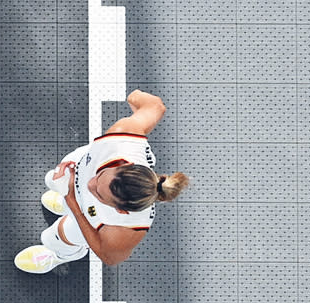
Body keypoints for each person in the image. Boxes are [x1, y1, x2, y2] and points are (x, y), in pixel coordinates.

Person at [18, 87, 188, 274]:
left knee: (52, 238)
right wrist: (134, 95)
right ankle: (62, 202)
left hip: (88, 215)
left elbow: (110, 257)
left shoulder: (127, 228)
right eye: (99, 176)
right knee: (51, 179)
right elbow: (156, 106)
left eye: (99, 193)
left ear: (120, 210)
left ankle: (62, 256)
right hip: (78, 167)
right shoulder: (123, 137)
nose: (91, 184)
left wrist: (72, 201)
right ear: (122, 164)